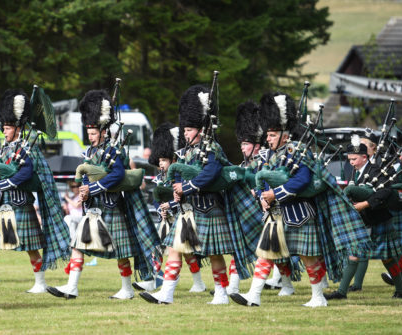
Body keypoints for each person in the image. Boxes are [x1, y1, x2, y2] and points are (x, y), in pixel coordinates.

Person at [230, 92, 372, 308]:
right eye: (267, 134)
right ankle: (254, 296)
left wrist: (275, 194)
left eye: (272, 134)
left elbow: (302, 181)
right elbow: (263, 179)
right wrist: (263, 197)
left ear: (284, 135)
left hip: (299, 214)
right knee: (266, 254)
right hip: (275, 214)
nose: (267, 138)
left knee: (308, 257)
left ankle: (318, 297)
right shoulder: (268, 155)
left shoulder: (298, 151)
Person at [140, 85, 263, 305]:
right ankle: (166, 293)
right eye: (184, 130)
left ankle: (221, 293)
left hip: (209, 208)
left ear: (201, 128)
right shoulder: (186, 151)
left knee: (214, 254)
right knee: (175, 249)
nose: (185, 134)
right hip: (188, 210)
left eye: (189, 130)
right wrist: (177, 190)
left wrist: (187, 188)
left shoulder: (212, 147)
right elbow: (179, 172)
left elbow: (211, 173)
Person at [47, 89, 160, 300]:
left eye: (93, 134)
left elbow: (117, 175)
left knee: (122, 252)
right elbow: (89, 176)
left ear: (103, 131)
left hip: (112, 206)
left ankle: (126, 289)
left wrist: (94, 188)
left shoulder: (113, 151)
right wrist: (85, 191)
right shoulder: (89, 152)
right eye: (88, 134)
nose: (90, 138)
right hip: (94, 209)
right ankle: (71, 287)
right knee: (78, 245)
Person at [0, 88, 70, 294]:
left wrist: (1, 185)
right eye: (3, 127)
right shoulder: (6, 147)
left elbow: (26, 174)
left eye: (6, 128)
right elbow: (0, 168)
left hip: (21, 204)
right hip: (4, 204)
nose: (3, 131)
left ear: (17, 127)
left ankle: (40, 283)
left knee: (31, 248)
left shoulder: (26, 148)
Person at [325, 139, 402, 300]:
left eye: (354, 159)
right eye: (349, 159)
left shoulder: (377, 171)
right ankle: (342, 292)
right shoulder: (355, 171)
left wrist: (364, 204)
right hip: (364, 220)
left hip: (379, 218)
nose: (351, 163)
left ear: (364, 157)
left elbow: (384, 193)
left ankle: (401, 290)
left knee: (389, 257)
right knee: (354, 253)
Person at [225, 101, 295, 297]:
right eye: (241, 144)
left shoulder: (263, 160)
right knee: (239, 247)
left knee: (274, 250)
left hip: (264, 210)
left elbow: (267, 181)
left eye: (246, 144)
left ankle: (287, 284)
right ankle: (233, 286)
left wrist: (260, 194)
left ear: (256, 145)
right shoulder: (242, 164)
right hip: (248, 211)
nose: (242, 148)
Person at [133, 122, 205, 293]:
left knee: (186, 253)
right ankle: (152, 280)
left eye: (164, 160)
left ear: (173, 160)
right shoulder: (160, 177)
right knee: (156, 249)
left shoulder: (179, 174)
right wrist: (160, 209)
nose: (161, 164)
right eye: (159, 161)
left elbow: (184, 196)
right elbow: (157, 200)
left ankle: (198, 283)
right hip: (165, 220)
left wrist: (170, 205)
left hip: (181, 216)